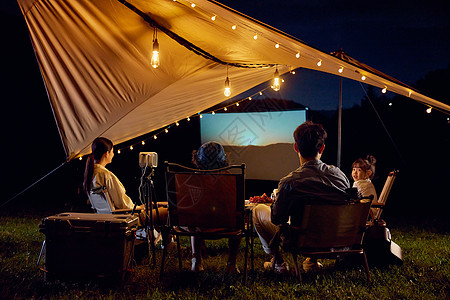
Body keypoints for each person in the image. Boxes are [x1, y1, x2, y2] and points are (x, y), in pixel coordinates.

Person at [252, 121, 351, 273]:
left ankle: (278, 263)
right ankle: (312, 262)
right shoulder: (340, 176)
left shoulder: (289, 182)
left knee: (258, 210)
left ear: (296, 147)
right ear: (322, 148)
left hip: (302, 241)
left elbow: (277, 218)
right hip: (338, 238)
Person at [83, 137, 168, 229]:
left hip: (112, 218)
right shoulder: (106, 175)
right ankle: (167, 243)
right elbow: (123, 204)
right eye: (112, 151)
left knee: (157, 205)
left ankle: (158, 241)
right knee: (168, 211)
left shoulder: (91, 174)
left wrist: (141, 207)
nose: (113, 154)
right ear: (107, 154)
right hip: (128, 218)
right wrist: (141, 208)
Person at [189, 141, 241, 274]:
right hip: (227, 226)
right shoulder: (229, 178)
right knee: (239, 218)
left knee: (194, 218)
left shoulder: (194, 179)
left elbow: (190, 206)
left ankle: (196, 260)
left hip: (199, 228)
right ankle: (231, 263)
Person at [351, 155, 378, 220]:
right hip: (369, 211)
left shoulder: (361, 184)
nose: (355, 172)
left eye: (359, 170)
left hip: (366, 213)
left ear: (368, 173)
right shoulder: (367, 182)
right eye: (354, 169)